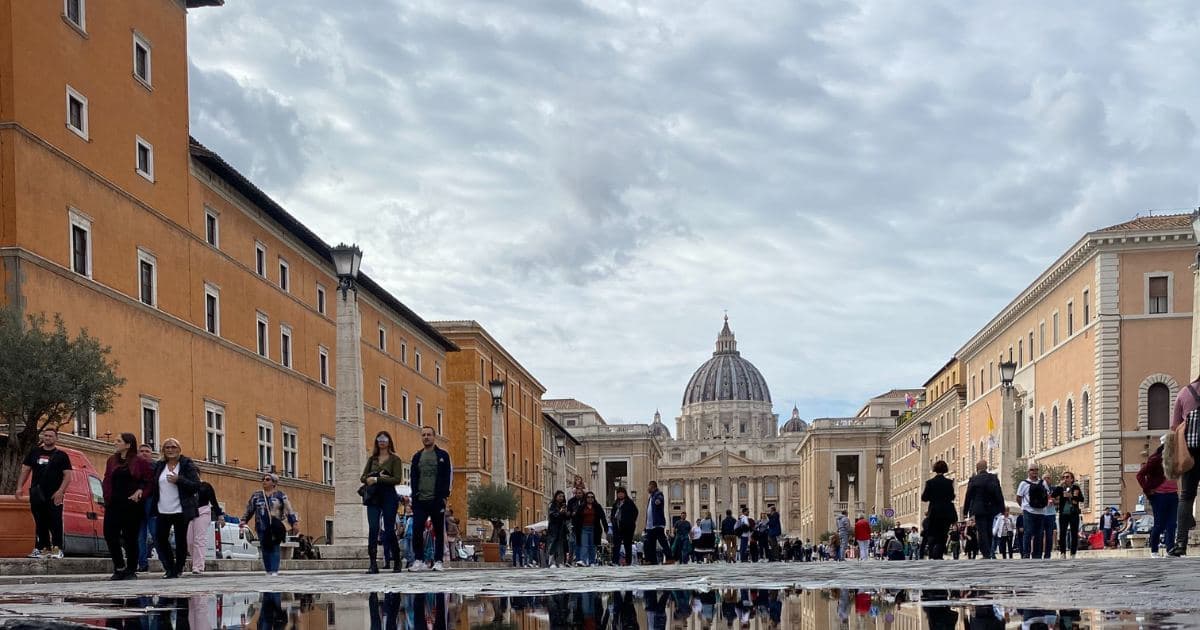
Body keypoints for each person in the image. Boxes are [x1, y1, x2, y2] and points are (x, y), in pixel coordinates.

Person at [15, 427, 72, 559]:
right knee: (40, 521)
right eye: (45, 435)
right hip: (37, 493)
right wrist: (19, 487)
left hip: (54, 494)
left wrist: (60, 491)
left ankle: (57, 548)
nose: (47, 438)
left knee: (55, 521)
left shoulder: (61, 456)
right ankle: (41, 548)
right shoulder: (34, 452)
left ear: (56, 438)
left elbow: (68, 476)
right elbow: (25, 470)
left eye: (50, 436)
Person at [100, 432, 152, 579]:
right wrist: (106, 496)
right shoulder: (111, 461)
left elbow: (149, 481)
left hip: (132, 504)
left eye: (118, 440)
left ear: (128, 444)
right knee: (110, 535)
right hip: (114, 503)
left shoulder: (139, 462)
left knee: (130, 537)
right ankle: (119, 566)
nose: (115, 443)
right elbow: (107, 479)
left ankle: (131, 569)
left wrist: (141, 491)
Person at [148, 437, 201, 579]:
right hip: (163, 508)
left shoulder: (186, 464)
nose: (170, 450)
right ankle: (169, 567)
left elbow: (196, 485)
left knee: (180, 540)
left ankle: (178, 568)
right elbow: (153, 485)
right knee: (160, 538)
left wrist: (179, 480)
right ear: (163, 450)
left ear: (179, 449)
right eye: (167, 447)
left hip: (181, 509)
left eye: (173, 447)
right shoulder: (160, 466)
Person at [409, 426, 452, 571]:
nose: (426, 437)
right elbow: (413, 477)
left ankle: (438, 560)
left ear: (434, 437)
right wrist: (414, 496)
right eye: (423, 435)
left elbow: (448, 476)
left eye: (428, 435)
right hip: (420, 499)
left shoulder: (443, 456)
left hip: (436, 499)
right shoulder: (416, 457)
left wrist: (445, 496)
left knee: (439, 531)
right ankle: (419, 559)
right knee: (417, 530)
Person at [239, 472, 299, 576]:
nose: (264, 481)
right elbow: (250, 509)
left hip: (276, 527)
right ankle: (268, 570)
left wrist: (294, 522)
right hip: (262, 527)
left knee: (275, 547)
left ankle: (274, 571)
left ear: (274, 483)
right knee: (265, 548)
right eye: (263, 479)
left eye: (267, 479)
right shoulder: (257, 495)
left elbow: (289, 509)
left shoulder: (280, 495)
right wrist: (244, 520)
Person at [361, 430, 404, 573]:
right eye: (379, 439)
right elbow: (362, 477)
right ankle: (372, 563)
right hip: (373, 496)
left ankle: (397, 560)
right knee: (373, 528)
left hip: (388, 495)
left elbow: (397, 479)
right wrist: (370, 477)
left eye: (384, 439)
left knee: (389, 529)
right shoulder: (372, 459)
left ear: (389, 441)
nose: (382, 441)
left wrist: (379, 479)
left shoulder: (395, 459)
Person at [1171, 377, 1200, 556]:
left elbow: (1174, 426)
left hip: (1191, 453)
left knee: (1186, 496)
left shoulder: (1184, 393)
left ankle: (1181, 543)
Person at [1138, 435, 1178, 556]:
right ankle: (1154, 550)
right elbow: (1140, 475)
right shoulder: (1155, 459)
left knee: (1172, 523)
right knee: (1159, 524)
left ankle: (1170, 549)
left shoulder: (1175, 458)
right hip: (1159, 495)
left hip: (1173, 494)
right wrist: (1147, 489)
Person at [962, 459, 1005, 559]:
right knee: (989, 530)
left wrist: (965, 511)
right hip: (991, 508)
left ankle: (986, 553)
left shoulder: (973, 480)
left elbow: (968, 496)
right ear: (986, 467)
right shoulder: (993, 478)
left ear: (977, 469)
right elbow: (999, 494)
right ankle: (990, 550)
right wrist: (1002, 508)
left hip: (979, 509)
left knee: (982, 532)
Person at [920, 460, 956, 559]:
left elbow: (924, 498)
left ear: (935, 469)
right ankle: (939, 554)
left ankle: (932, 552)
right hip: (946, 511)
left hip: (934, 511)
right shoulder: (949, 482)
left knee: (933, 533)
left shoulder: (930, 483)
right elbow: (952, 496)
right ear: (945, 469)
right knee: (943, 533)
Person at [187, 472, 222, 574]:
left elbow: (214, 501)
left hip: (203, 512)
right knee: (189, 541)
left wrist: (220, 515)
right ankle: (195, 562)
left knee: (199, 539)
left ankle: (198, 566)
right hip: (190, 514)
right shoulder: (187, 487)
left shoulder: (206, 486)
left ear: (198, 475)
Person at [1016, 463, 1051, 559]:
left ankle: (1037, 554)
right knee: (1028, 532)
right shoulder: (1023, 483)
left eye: (1036, 470)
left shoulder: (1043, 483)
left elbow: (1047, 495)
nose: (1034, 472)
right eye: (1032, 470)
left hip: (1040, 511)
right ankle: (1026, 554)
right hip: (1028, 511)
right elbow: (1018, 497)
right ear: (1028, 472)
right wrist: (1023, 507)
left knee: (1039, 534)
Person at [1052, 471, 1085, 558]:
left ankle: (1073, 553)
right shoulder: (1060, 488)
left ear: (1072, 479)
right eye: (1064, 477)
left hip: (1074, 512)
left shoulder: (1076, 488)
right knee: (1062, 533)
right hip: (1063, 513)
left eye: (1067, 477)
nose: (1065, 479)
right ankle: (1062, 552)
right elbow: (1053, 495)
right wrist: (1059, 485)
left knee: (1074, 533)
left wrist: (1071, 496)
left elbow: (1082, 499)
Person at [135, 444, 156, 572]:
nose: (144, 453)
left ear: (151, 454)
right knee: (139, 535)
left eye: (147, 451)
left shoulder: (156, 466)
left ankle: (166, 563)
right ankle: (142, 563)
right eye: (141, 451)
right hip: (138, 503)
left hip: (151, 501)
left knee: (155, 533)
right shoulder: (133, 466)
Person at [572, 491, 607, 566]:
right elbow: (577, 518)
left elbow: (603, 517)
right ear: (586, 498)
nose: (590, 499)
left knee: (593, 545)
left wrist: (606, 528)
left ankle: (592, 562)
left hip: (594, 528)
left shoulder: (597, 507)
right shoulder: (581, 507)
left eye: (592, 497)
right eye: (588, 497)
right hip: (584, 528)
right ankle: (583, 561)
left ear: (594, 498)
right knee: (584, 545)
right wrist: (575, 528)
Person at [609, 487, 638, 566]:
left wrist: (631, 522)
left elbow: (635, 512)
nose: (620, 495)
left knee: (627, 544)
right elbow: (613, 514)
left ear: (625, 494)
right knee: (616, 545)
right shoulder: (616, 504)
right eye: (618, 493)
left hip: (627, 527)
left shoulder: (629, 502)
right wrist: (613, 520)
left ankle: (628, 561)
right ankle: (615, 561)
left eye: (622, 493)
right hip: (617, 527)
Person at [642, 481, 669, 564]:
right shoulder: (651, 497)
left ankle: (670, 558)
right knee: (650, 543)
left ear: (652, 486)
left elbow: (660, 499)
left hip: (657, 524)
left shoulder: (658, 494)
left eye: (648, 486)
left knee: (663, 542)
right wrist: (646, 526)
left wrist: (658, 501)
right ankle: (652, 561)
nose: (647, 488)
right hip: (650, 526)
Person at [546, 490, 570, 568]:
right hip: (554, 527)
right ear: (556, 497)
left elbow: (566, 518)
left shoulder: (563, 505)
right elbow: (553, 515)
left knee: (561, 544)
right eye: (559, 496)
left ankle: (560, 561)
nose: (561, 498)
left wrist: (566, 514)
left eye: (562, 496)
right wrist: (560, 512)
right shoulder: (552, 505)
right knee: (553, 543)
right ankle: (551, 561)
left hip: (562, 527)